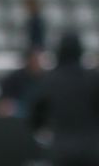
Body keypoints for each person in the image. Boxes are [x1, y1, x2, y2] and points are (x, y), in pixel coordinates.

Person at [29, 31, 99, 166]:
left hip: (61, 150)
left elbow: (35, 115)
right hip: (91, 148)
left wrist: (43, 130)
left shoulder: (49, 80)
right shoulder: (93, 78)